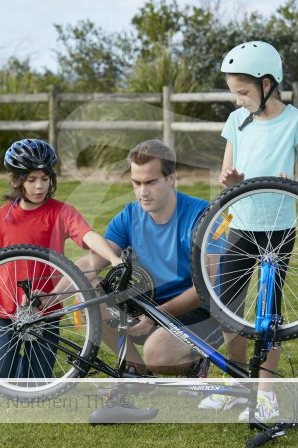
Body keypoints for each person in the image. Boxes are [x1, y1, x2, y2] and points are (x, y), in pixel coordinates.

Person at [0, 138, 123, 380]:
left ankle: (11, 378)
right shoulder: (1, 217)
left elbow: (88, 235)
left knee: (35, 385)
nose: (39, 186)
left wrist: (113, 259)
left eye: (44, 178)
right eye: (31, 180)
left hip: (47, 310)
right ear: (16, 181)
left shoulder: (62, 212)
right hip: (6, 312)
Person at [197, 41, 298, 422]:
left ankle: (266, 395)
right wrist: (231, 180)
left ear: (268, 83)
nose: (239, 101)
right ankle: (236, 385)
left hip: (278, 230)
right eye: (234, 93)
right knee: (227, 308)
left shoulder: (296, 120)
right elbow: (226, 178)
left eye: (244, 93)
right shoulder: (236, 122)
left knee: (269, 316)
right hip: (241, 224)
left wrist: (293, 183)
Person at [76, 139, 224, 395]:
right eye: (136, 183)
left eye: (151, 182)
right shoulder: (130, 215)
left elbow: (208, 288)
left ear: (171, 179)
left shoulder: (203, 216)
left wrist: (155, 316)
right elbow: (92, 262)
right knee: (84, 287)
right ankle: (134, 372)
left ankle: (197, 359)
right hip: (149, 307)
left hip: (200, 314)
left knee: (157, 354)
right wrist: (50, 292)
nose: (142, 192)